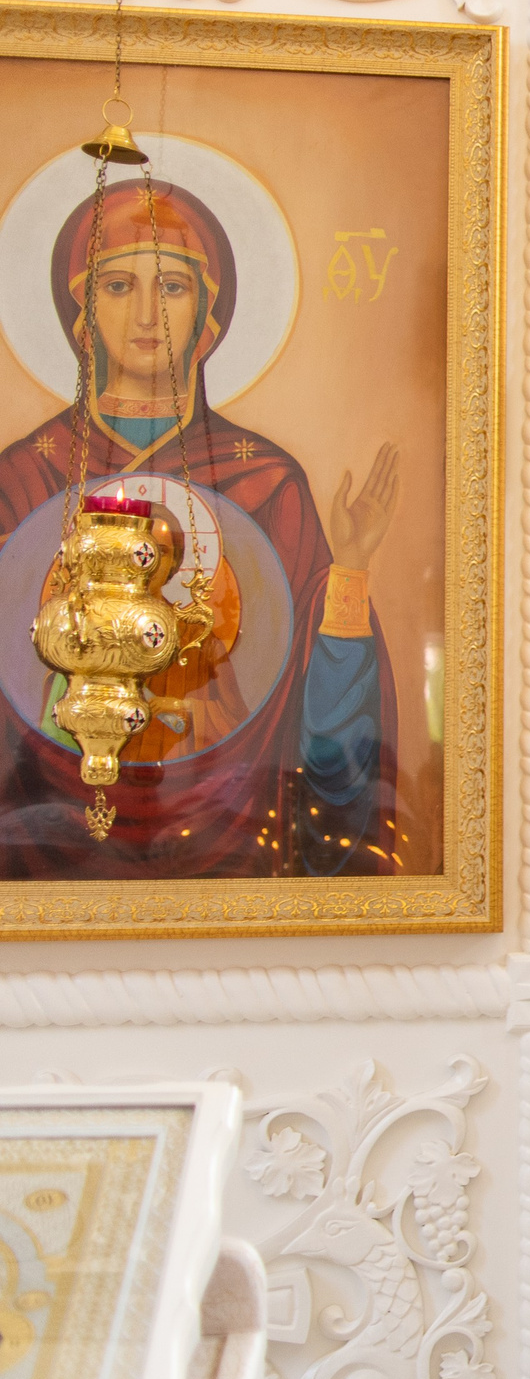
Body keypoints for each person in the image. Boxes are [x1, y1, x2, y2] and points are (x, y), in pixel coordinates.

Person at [0, 178, 398, 876]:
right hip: (47, 833)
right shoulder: (24, 482)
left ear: (208, 313)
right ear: (82, 312)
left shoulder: (265, 484)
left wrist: (351, 568)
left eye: (174, 288)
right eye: (119, 286)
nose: (148, 314)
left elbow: (324, 726)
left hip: (228, 833)